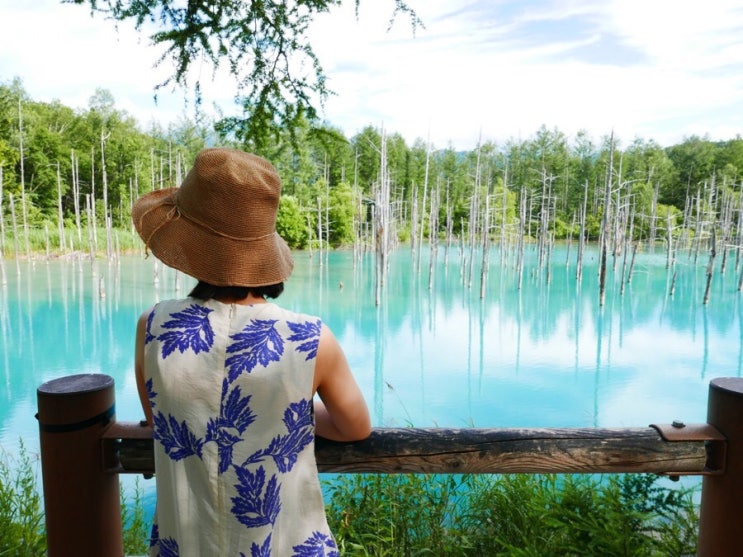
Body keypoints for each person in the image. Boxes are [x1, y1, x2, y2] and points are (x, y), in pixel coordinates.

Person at [132, 147, 371, 557]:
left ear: (190, 245)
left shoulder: (153, 326)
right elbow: (355, 428)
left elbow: (162, 418)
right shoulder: (311, 338)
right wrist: (285, 406)